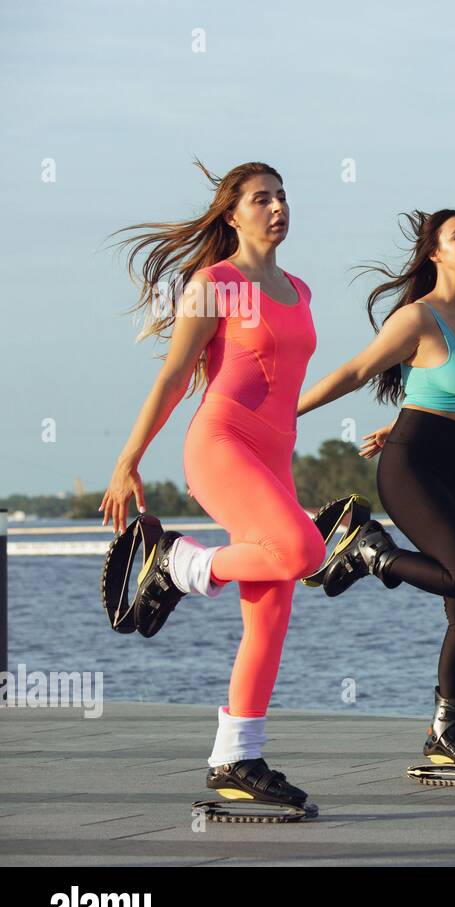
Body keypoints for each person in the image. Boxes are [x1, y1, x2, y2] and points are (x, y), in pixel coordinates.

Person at [100, 160, 324, 816]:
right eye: (262, 199)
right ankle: (182, 563)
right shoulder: (215, 283)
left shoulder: (300, 289)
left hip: (273, 457)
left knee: (273, 608)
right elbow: (174, 376)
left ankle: (236, 756)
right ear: (232, 214)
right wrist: (127, 460)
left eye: (282, 196)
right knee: (303, 551)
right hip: (220, 445)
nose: (277, 207)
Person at [297, 209, 455, 775]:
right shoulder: (418, 317)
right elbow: (358, 370)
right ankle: (373, 554)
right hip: (412, 470)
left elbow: (445, 392)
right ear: (435, 253)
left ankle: (448, 734)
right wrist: (288, 413)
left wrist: (407, 416)